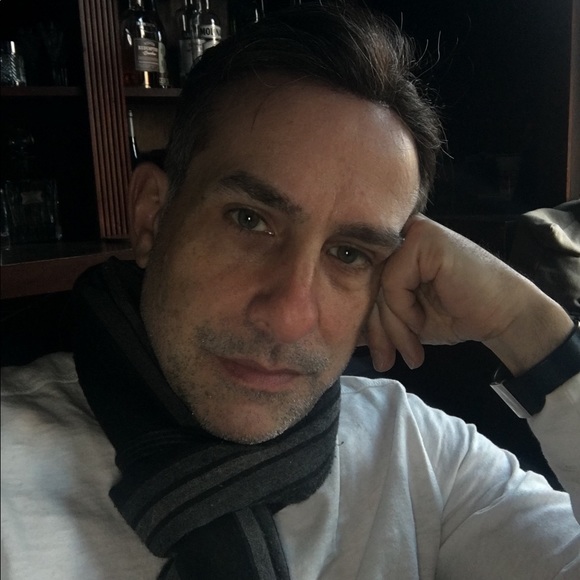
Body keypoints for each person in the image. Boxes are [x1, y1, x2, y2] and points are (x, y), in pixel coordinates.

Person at [1, 2, 579, 579]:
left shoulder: (418, 454)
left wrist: (529, 327)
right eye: (249, 220)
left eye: (349, 254)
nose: (288, 317)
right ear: (152, 217)